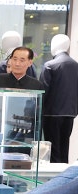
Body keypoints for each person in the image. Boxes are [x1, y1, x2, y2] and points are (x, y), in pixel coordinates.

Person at [39, 34, 78, 163]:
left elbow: (42, 92)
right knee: (64, 147)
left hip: (51, 114)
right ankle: (64, 178)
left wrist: (37, 111)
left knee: (53, 150)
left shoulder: (50, 65)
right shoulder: (76, 65)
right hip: (70, 114)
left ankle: (55, 180)